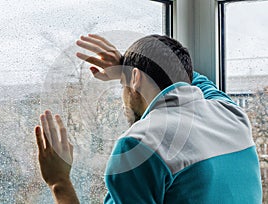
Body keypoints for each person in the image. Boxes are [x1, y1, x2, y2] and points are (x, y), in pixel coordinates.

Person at [34, 34, 262, 204]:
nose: (122, 98)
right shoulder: (231, 113)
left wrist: (59, 181)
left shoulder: (139, 145)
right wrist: (128, 65)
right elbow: (187, 77)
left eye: (122, 84)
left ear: (135, 79)